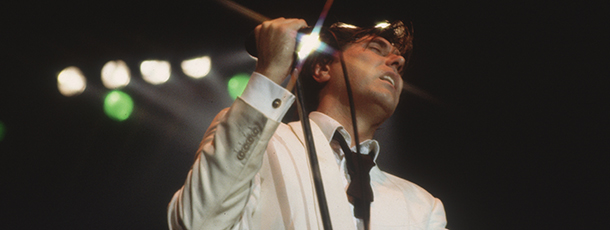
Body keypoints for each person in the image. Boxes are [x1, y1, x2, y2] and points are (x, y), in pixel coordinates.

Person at [167, 17, 448, 230]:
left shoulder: (422, 206)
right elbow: (196, 222)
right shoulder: (261, 142)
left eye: (399, 65)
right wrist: (270, 73)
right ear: (322, 68)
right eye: (376, 48)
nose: (396, 60)